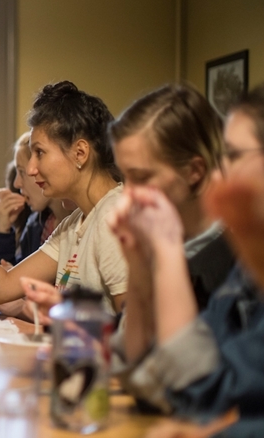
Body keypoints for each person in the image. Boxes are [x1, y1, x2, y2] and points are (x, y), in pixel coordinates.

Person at [99, 84, 264, 434]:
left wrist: (166, 249)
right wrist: (141, 268)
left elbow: (201, 394)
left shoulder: (228, 258)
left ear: (194, 171)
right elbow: (145, 378)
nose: (127, 194)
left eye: (233, 155)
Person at [0, 81, 127, 313]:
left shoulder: (115, 219)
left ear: (80, 153)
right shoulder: (75, 223)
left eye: (39, 153)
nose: (31, 169)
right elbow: (4, 286)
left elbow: (132, 337)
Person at [0, 131, 73, 266]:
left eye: (22, 172)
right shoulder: (35, 225)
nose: (16, 183)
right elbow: (8, 277)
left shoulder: (81, 225)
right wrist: (3, 230)